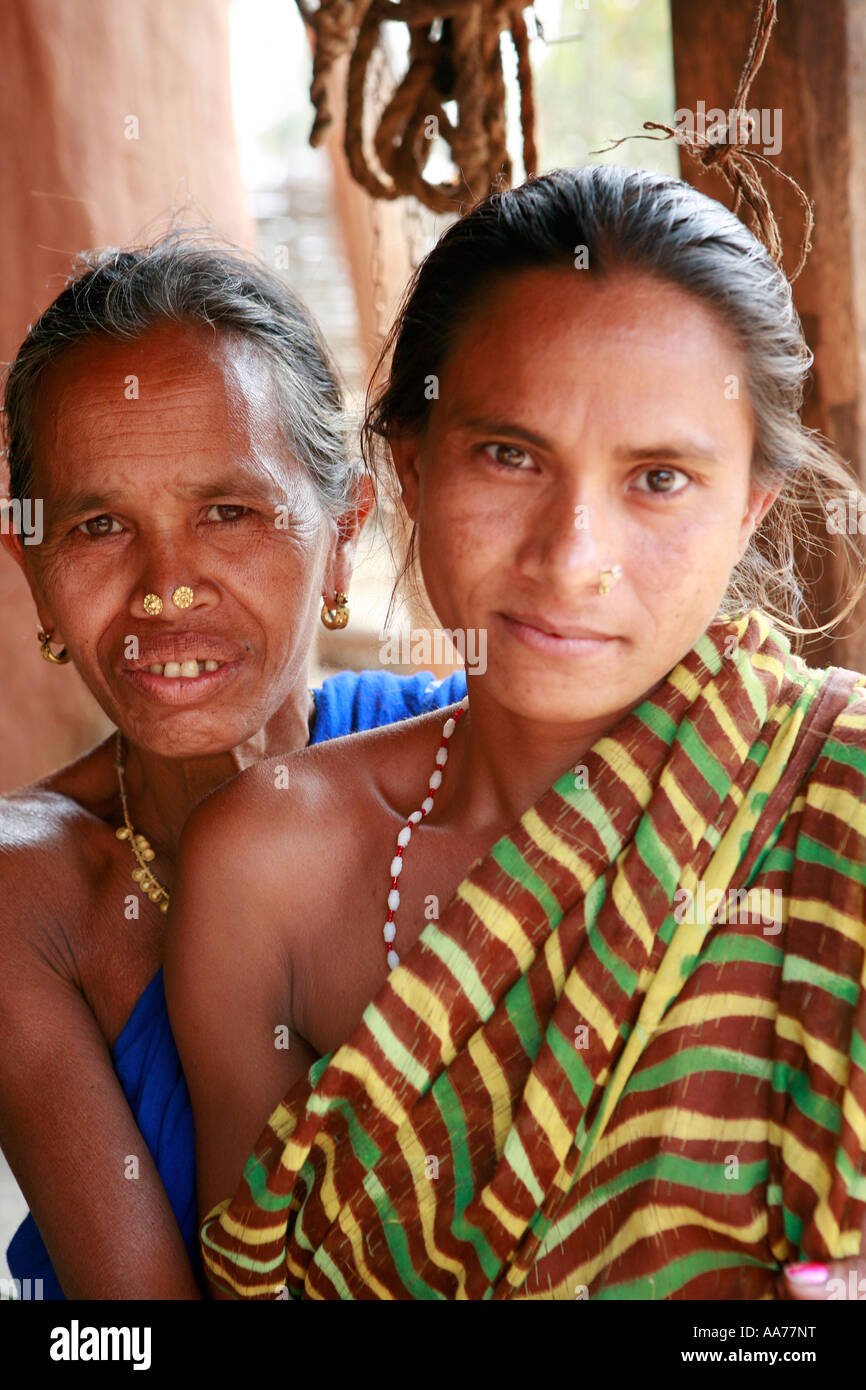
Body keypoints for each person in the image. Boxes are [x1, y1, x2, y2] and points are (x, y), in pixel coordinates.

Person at [165, 166, 866, 1301]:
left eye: (657, 477)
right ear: (410, 464)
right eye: (508, 455)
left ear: (745, 505)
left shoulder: (837, 799)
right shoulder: (267, 867)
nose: (569, 554)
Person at [0, 233, 466, 1299]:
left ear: (343, 532)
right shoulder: (28, 887)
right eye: (99, 524)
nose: (166, 589)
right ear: (33, 570)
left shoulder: (468, 762)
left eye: (227, 511)